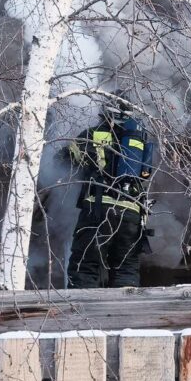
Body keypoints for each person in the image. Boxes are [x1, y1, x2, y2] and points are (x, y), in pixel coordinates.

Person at [66, 105, 154, 288]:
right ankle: (126, 304)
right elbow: (145, 175)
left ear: (104, 114)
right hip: (132, 212)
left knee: (85, 265)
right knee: (126, 269)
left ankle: (79, 306)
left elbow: (65, 159)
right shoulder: (140, 140)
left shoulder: (92, 134)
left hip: (98, 209)